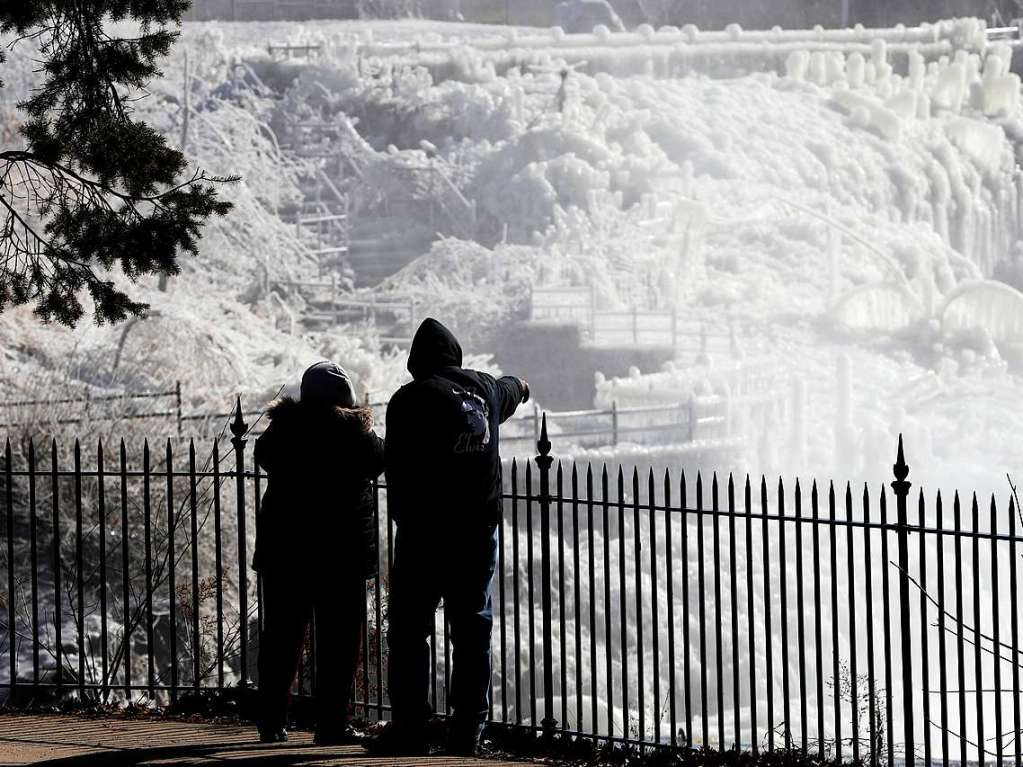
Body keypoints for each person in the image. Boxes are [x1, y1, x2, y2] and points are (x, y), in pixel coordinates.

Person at [370, 318, 529, 757]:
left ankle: (409, 726)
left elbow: (395, 463)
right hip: (477, 531)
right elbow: (511, 387)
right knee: (472, 627)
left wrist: (404, 514)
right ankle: (467, 730)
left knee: (407, 630)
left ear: (416, 362)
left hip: (424, 533)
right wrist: (524, 385)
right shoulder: (483, 390)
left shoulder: (409, 399)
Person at [252, 361, 384, 745]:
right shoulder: (357, 436)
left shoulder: (284, 431)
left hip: (286, 550)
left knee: (280, 637)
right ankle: (332, 724)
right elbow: (380, 459)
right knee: (339, 644)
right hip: (341, 554)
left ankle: (272, 719)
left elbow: (264, 453)